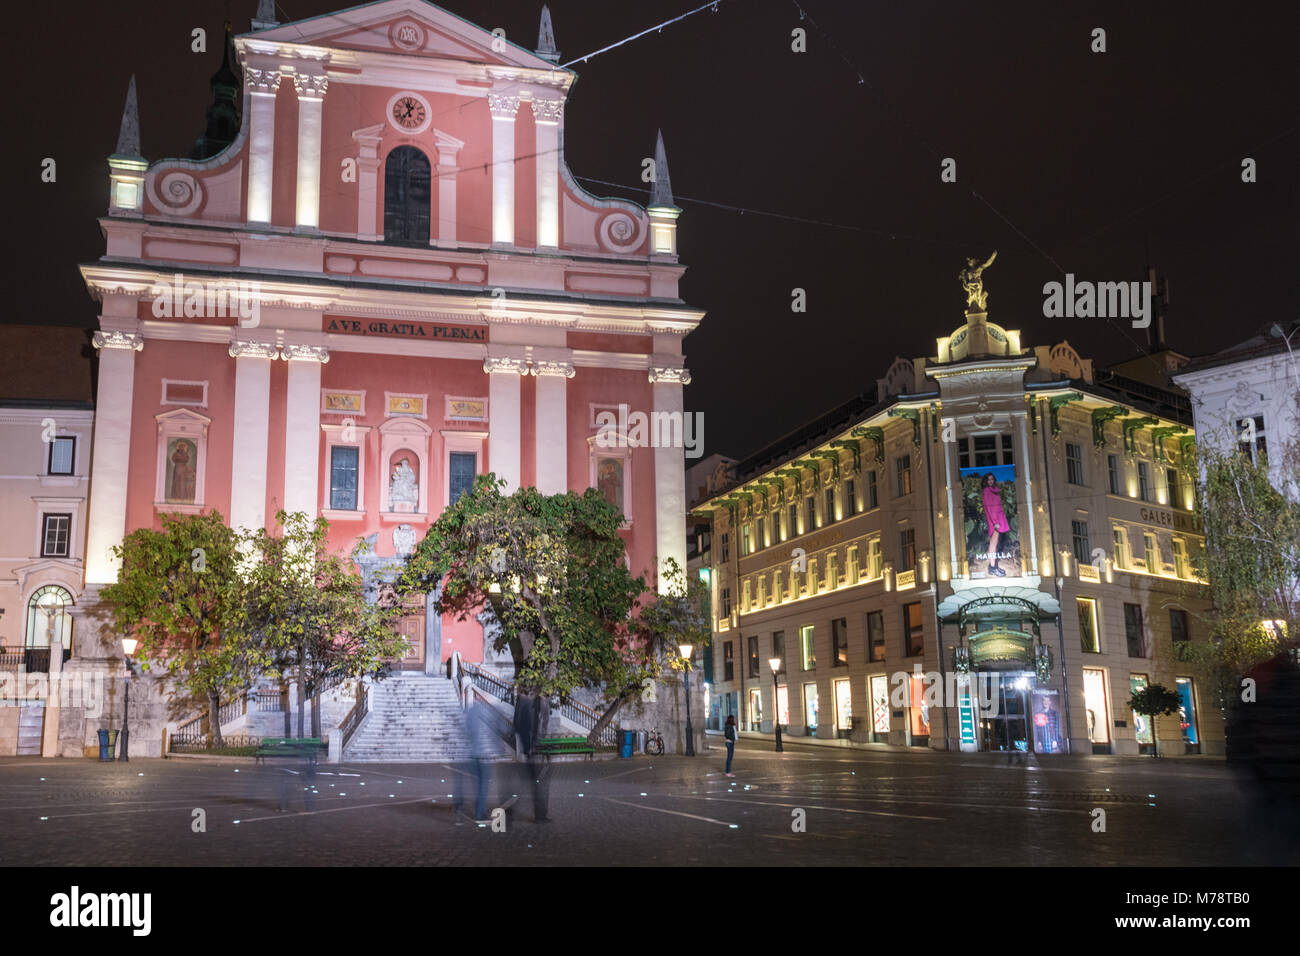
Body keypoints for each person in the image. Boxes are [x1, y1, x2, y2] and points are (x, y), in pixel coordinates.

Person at [454, 700, 495, 825]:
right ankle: (479, 814)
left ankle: (460, 812)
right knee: (482, 786)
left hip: (469, 754)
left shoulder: (470, 713)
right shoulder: (484, 714)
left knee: (472, 785)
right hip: (480, 755)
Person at [512, 690, 550, 822]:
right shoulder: (535, 704)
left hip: (530, 749)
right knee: (541, 784)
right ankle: (540, 815)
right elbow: (539, 728)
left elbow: (518, 726)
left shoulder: (523, 705)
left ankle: (540, 814)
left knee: (536, 783)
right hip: (536, 749)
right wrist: (534, 747)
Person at [981, 472, 1010, 576]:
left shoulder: (993, 490)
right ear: (986, 481)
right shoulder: (987, 491)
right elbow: (990, 507)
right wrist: (995, 522)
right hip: (995, 521)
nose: (991, 481)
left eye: (992, 479)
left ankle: (993, 567)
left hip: (998, 519)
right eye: (989, 479)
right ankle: (993, 568)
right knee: (993, 545)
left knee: (995, 544)